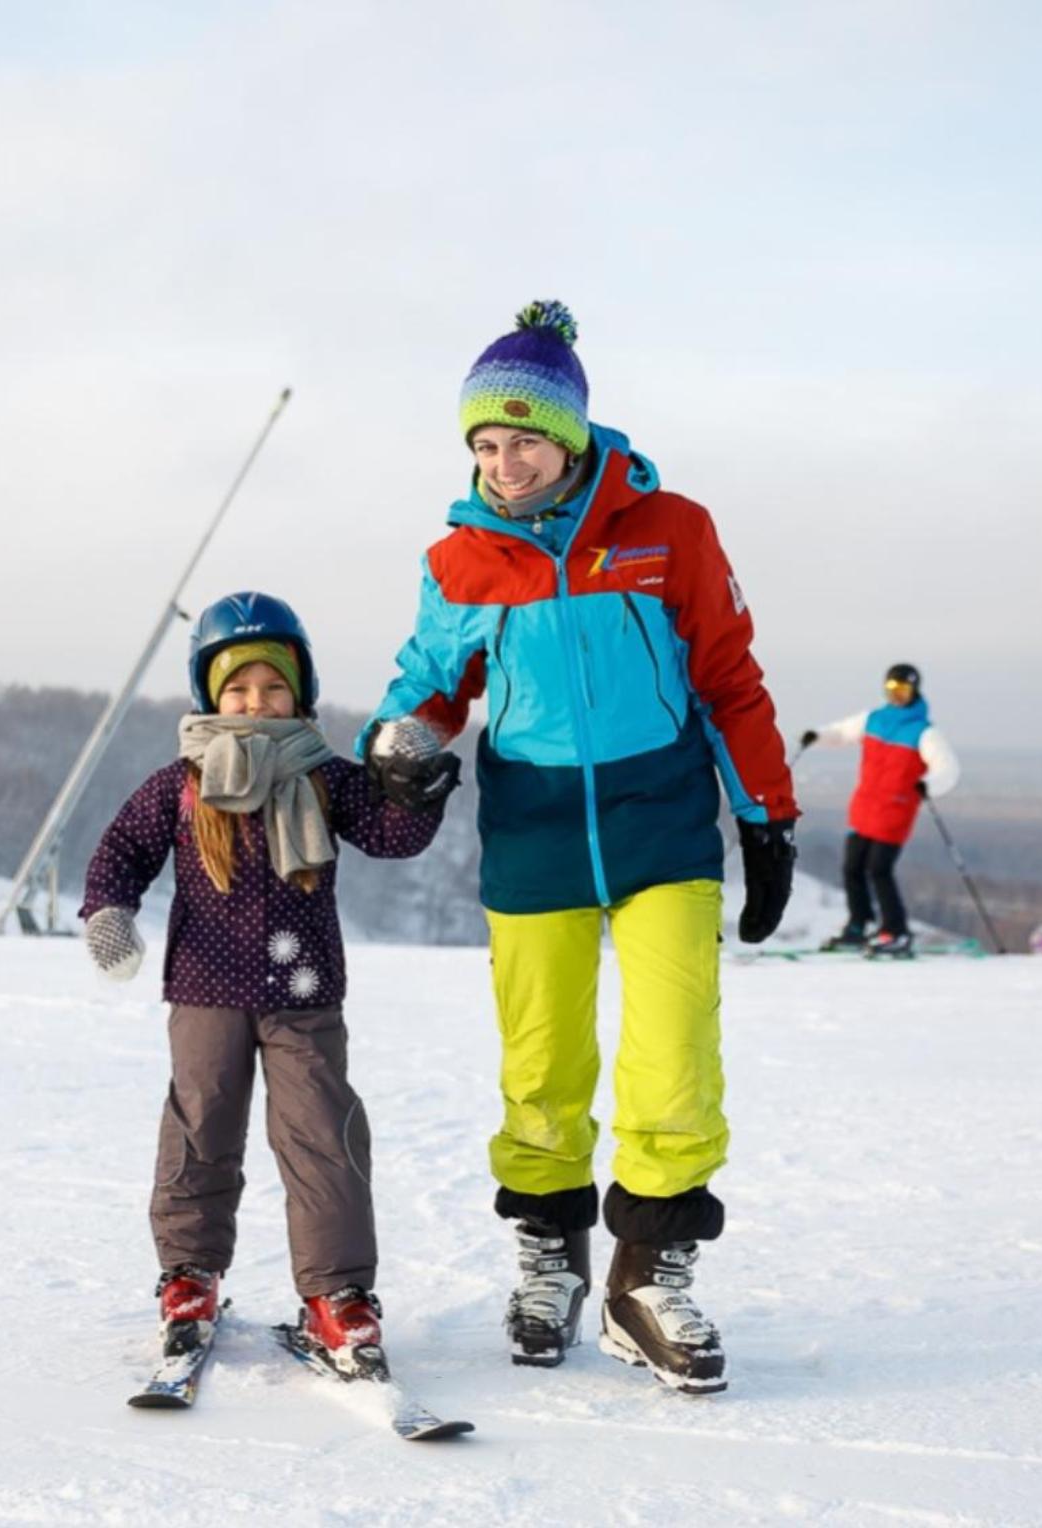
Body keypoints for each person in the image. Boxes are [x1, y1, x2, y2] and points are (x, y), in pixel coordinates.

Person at [361, 301, 799, 1395]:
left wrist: (765, 814)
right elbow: (427, 682)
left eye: (522, 438)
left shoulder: (670, 531)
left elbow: (728, 679)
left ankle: (647, 1275)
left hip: (660, 823)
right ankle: (549, 1252)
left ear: (570, 434)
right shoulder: (460, 561)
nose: (503, 463)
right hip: (534, 829)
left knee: (673, 1055)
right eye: (483, 444)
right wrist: (396, 738)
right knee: (541, 1063)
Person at [78, 591, 451, 1380]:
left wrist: (413, 786)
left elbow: (390, 835)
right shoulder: (180, 784)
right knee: (200, 1128)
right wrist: (109, 912)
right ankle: (189, 1276)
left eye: (273, 687)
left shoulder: (324, 778)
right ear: (211, 692)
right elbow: (120, 852)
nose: (257, 701)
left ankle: (337, 1294)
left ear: (299, 691)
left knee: (323, 1137)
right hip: (205, 990)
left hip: (304, 994)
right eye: (239, 687)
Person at [800, 662, 960, 959]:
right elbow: (841, 732)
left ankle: (896, 931)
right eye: (892, 689)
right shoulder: (874, 719)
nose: (897, 696)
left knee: (878, 869)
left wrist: (929, 784)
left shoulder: (923, 732)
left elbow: (947, 769)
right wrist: (816, 736)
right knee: (852, 868)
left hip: (895, 812)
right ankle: (859, 925)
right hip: (864, 807)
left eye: (903, 690)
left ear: (914, 690)